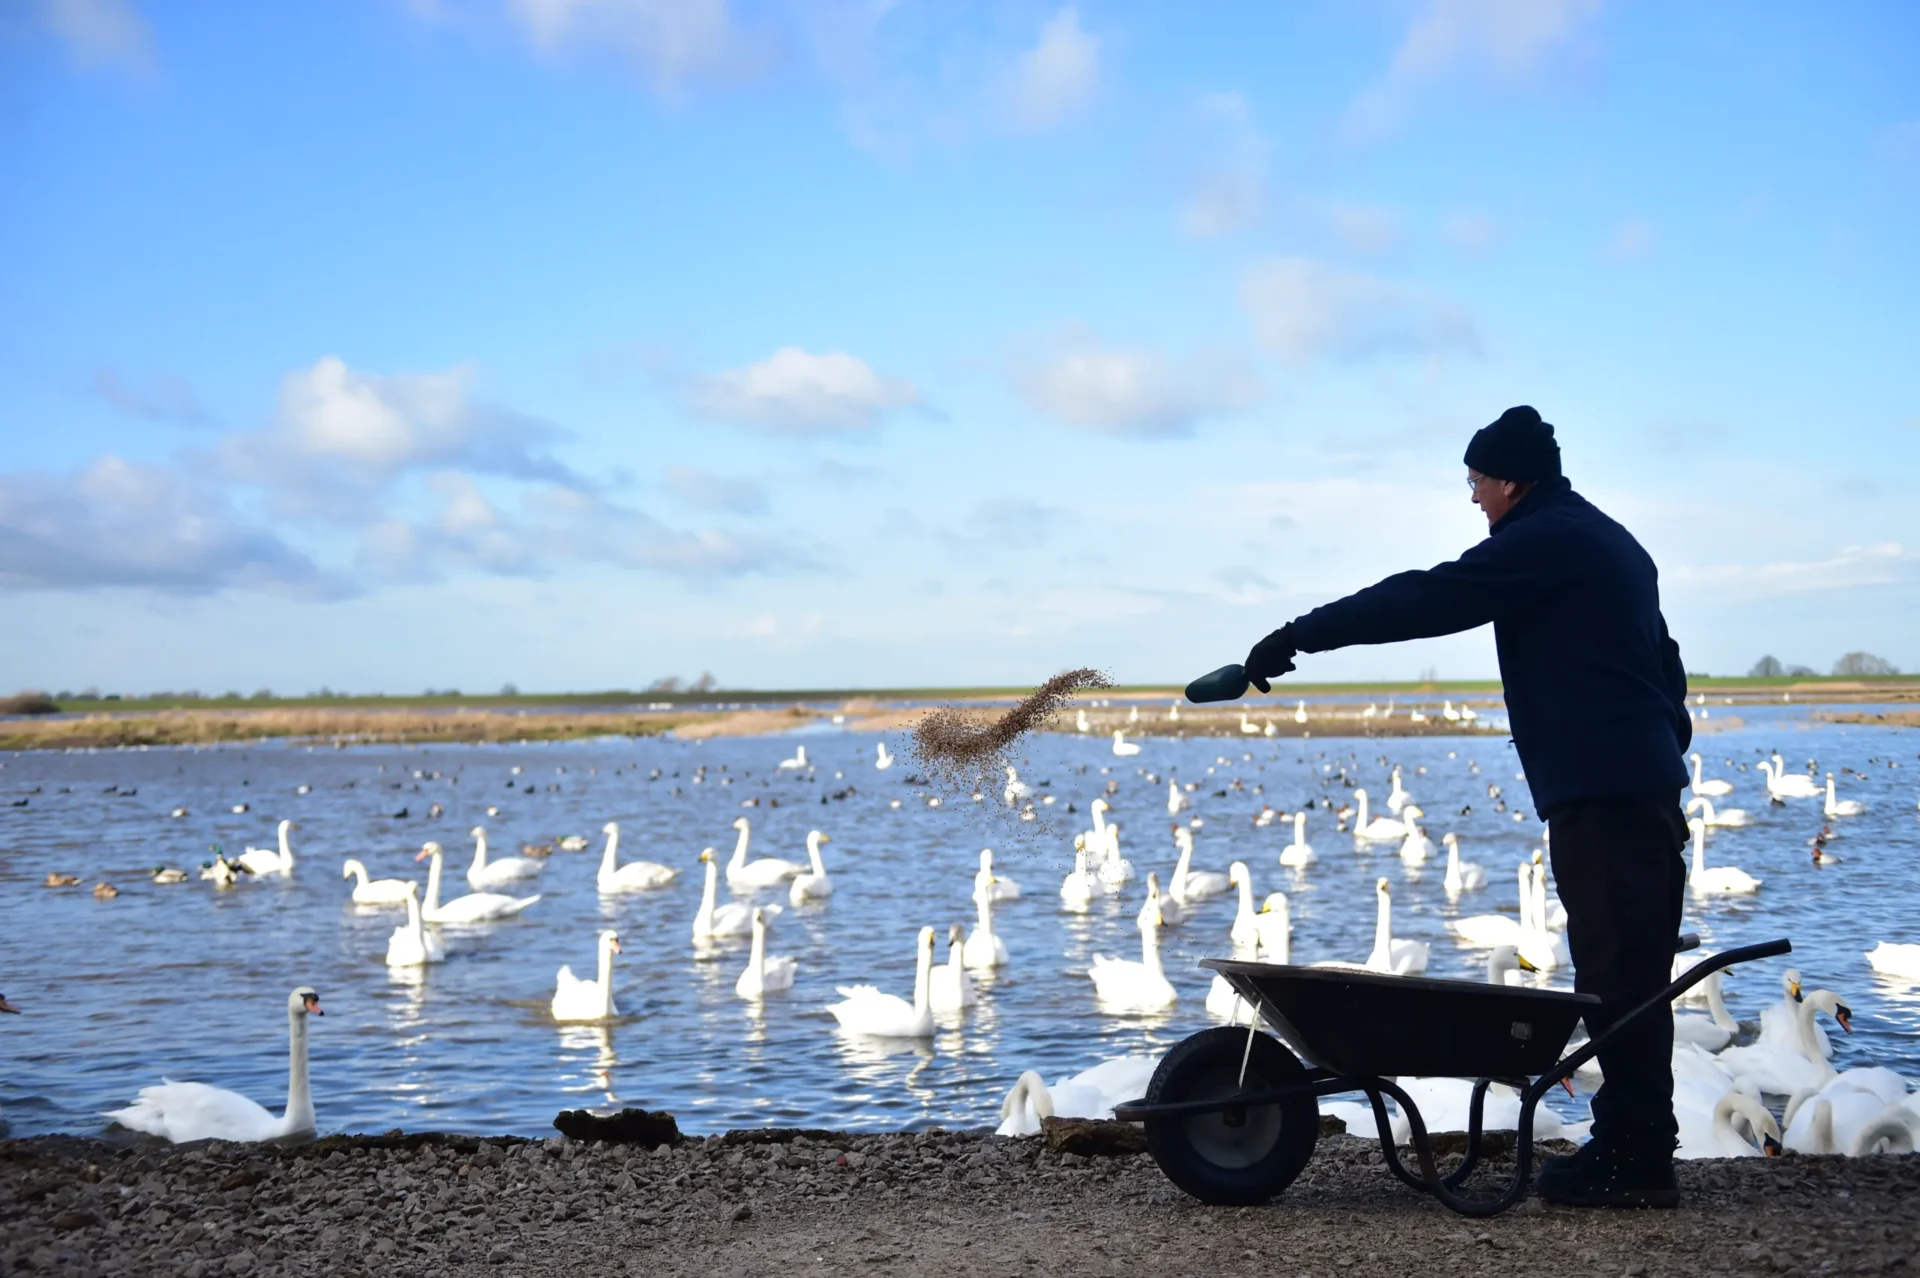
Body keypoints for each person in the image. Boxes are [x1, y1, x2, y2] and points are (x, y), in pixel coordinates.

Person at [1242, 405, 1690, 1209]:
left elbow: (1426, 599)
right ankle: (1634, 1142)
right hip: (1632, 783)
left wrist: (1299, 635)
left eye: (1478, 481)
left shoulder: (1546, 541)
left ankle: (1636, 1158)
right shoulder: (1610, 540)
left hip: (1607, 792)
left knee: (1620, 974)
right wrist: (1662, 740)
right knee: (1629, 970)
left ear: (1512, 479)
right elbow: (1668, 663)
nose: (1474, 498)